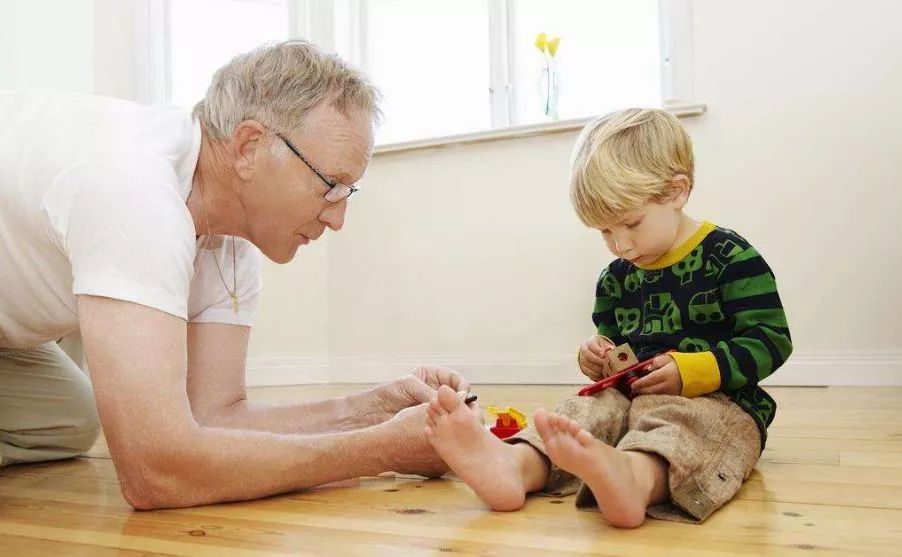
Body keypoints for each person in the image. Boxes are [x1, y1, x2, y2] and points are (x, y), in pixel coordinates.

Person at [0, 40, 474, 509]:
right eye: (331, 186)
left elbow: (215, 416)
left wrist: (373, 412)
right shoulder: (135, 192)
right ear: (249, 146)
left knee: (66, 419)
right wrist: (380, 450)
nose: (337, 218)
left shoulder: (230, 240)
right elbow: (155, 470)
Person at [424, 108, 793, 526]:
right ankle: (515, 465)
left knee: (681, 426)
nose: (619, 245)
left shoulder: (729, 257)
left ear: (676, 192)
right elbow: (615, 342)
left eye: (630, 224)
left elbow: (772, 339)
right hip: (631, 396)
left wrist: (695, 370)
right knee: (582, 415)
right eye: (604, 232)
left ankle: (633, 478)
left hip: (721, 400)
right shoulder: (616, 278)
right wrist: (596, 356)